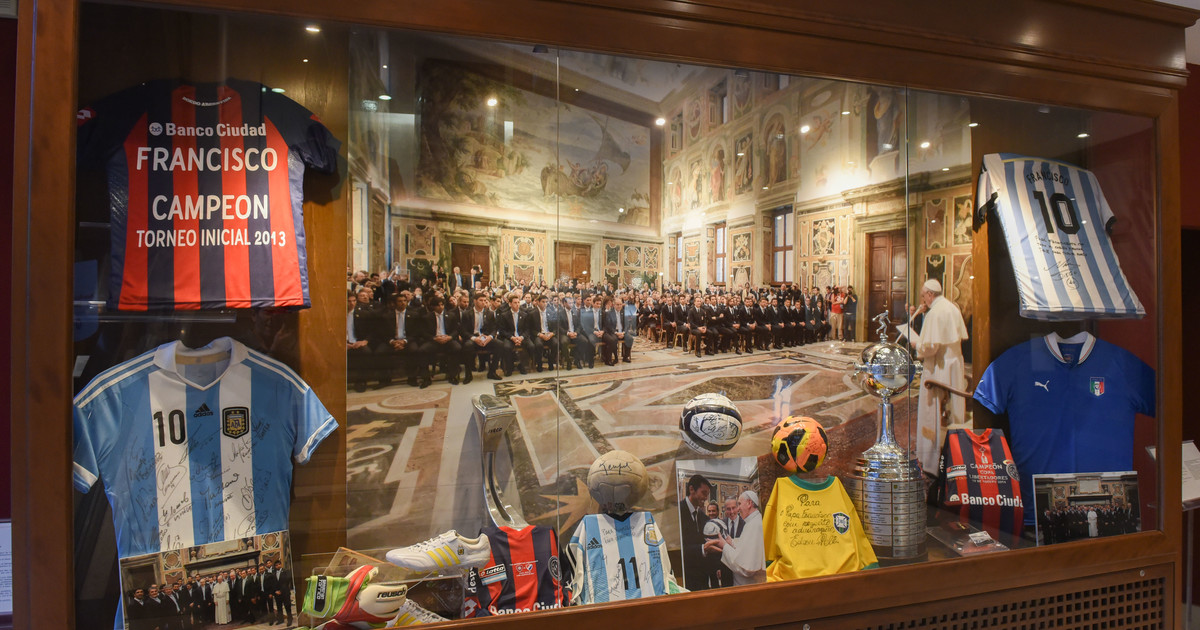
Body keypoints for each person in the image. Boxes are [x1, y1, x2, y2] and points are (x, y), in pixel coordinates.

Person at [899, 278, 969, 473]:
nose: (923, 300)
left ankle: (931, 460)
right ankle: (956, 456)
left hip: (938, 369)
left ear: (930, 294)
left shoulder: (935, 313)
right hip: (953, 366)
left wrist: (916, 345)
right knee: (953, 410)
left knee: (933, 410)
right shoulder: (951, 307)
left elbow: (930, 347)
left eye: (924, 296)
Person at [708, 490, 766, 586]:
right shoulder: (752, 522)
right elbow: (746, 547)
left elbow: (745, 567)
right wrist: (732, 542)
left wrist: (724, 545)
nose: (738, 509)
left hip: (748, 585)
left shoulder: (754, 525)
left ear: (749, 503)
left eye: (739, 504)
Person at [678, 474, 717, 590]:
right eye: (703, 493)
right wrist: (702, 548)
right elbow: (678, 550)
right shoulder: (678, 512)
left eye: (707, 495)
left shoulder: (703, 517)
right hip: (685, 581)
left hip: (702, 581)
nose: (705, 498)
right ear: (691, 489)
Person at [272, 560, 294, 626]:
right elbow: (273, 583)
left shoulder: (286, 571)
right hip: (277, 594)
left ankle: (290, 619)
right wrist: (275, 591)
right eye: (276, 565)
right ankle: (280, 619)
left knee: (287, 606)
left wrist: (281, 591)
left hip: (285, 592)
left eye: (279, 564)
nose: (278, 566)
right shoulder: (273, 573)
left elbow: (286, 582)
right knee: (279, 607)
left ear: (281, 564)